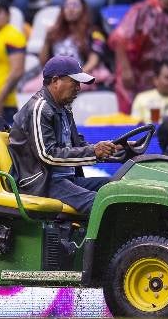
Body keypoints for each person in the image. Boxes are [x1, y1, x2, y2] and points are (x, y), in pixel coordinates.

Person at [8, 56, 118, 215]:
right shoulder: (39, 109)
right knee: (104, 203)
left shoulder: (64, 109)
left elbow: (78, 145)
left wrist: (114, 148)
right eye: (75, 82)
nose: (79, 88)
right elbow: (48, 155)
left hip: (63, 180)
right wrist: (94, 152)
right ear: (55, 81)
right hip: (42, 183)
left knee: (115, 188)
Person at [35, 0, 110, 87]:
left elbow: (93, 61)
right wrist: (47, 40)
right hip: (57, 77)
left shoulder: (94, 32)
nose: (70, 9)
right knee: (29, 88)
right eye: (67, 6)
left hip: (83, 75)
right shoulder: (55, 33)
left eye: (75, 5)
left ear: (83, 10)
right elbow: (43, 63)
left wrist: (75, 77)